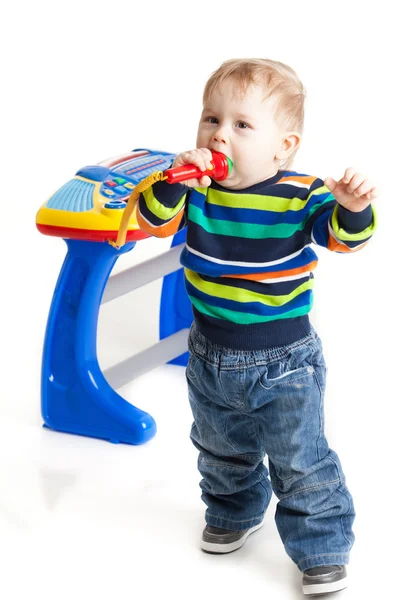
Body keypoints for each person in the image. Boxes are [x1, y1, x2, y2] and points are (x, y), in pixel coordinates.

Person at [136, 58, 377, 596]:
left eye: (242, 125)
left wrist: (353, 208)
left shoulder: (301, 192)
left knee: (300, 460)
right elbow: (152, 220)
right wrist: (174, 181)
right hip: (208, 355)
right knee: (220, 449)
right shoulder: (195, 189)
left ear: (283, 145)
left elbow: (343, 238)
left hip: (284, 362)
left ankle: (320, 547)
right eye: (210, 119)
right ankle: (233, 511)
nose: (220, 134)